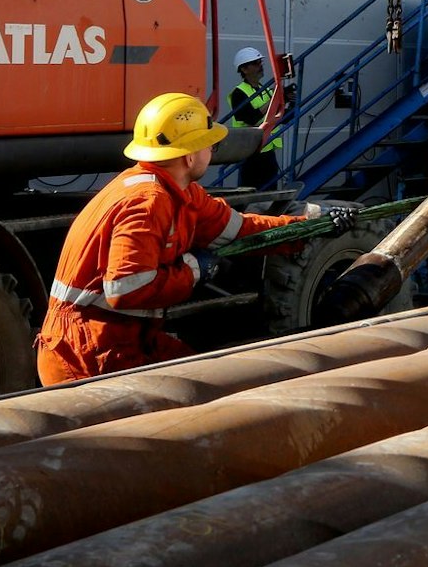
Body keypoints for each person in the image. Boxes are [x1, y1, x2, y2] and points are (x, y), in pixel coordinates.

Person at [33, 92, 343, 385]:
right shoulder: (148, 201)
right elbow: (126, 288)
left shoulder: (178, 192)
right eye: (210, 145)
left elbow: (241, 228)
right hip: (84, 354)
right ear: (190, 155)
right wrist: (195, 270)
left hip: (115, 338)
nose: (212, 152)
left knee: (206, 386)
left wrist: (311, 226)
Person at [223, 45, 286, 188]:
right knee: (251, 191)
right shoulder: (239, 93)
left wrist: (285, 102)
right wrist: (274, 101)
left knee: (269, 192)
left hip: (267, 148)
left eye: (260, 62)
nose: (260, 66)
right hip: (251, 150)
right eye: (255, 63)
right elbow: (249, 118)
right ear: (244, 69)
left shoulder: (265, 90)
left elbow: (276, 116)